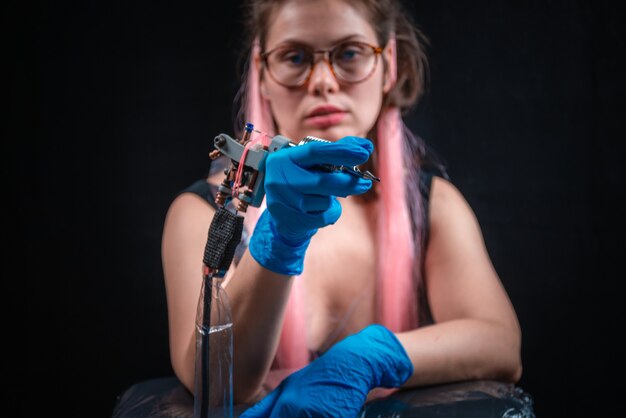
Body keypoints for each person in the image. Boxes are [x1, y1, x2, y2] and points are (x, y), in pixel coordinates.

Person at [161, 0, 523, 416]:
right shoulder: (201, 213)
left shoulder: (433, 205)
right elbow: (212, 379)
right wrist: (279, 238)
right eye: (294, 57)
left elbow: (501, 344)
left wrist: (369, 357)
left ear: (389, 64)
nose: (322, 82)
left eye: (349, 53)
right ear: (261, 73)